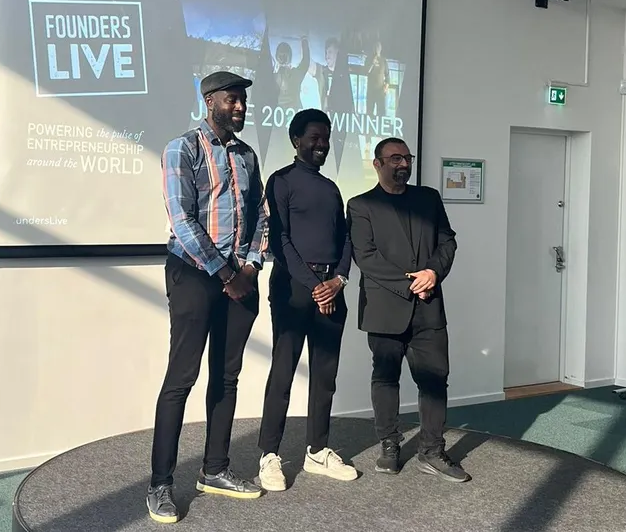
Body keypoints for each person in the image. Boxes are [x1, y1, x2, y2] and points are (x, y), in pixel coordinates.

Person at [147, 70, 270, 523]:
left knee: (227, 377)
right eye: (232, 100)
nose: (240, 107)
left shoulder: (247, 155)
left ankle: (214, 470)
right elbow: (181, 218)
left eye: (243, 101)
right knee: (182, 378)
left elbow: (259, 213)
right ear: (210, 101)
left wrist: (253, 263)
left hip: (239, 274)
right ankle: (160, 484)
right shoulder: (183, 148)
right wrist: (224, 273)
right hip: (195, 273)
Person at [345, 137, 470, 482]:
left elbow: (447, 240)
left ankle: (431, 450)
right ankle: (389, 443)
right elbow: (366, 256)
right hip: (384, 308)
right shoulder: (360, 205)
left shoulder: (428, 198)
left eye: (407, 158)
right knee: (386, 378)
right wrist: (409, 284)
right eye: (394, 158)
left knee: (435, 379)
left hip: (429, 307)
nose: (402, 164)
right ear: (377, 164)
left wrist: (432, 273)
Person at [256, 109, 358, 491]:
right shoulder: (280, 181)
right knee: (283, 372)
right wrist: (315, 284)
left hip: (332, 287)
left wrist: (338, 280)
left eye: (326, 137)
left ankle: (318, 451)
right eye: (315, 137)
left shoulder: (332, 188)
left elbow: (346, 239)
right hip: (294, 288)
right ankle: (268, 454)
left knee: (325, 376)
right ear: (296, 141)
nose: (322, 145)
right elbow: (279, 241)